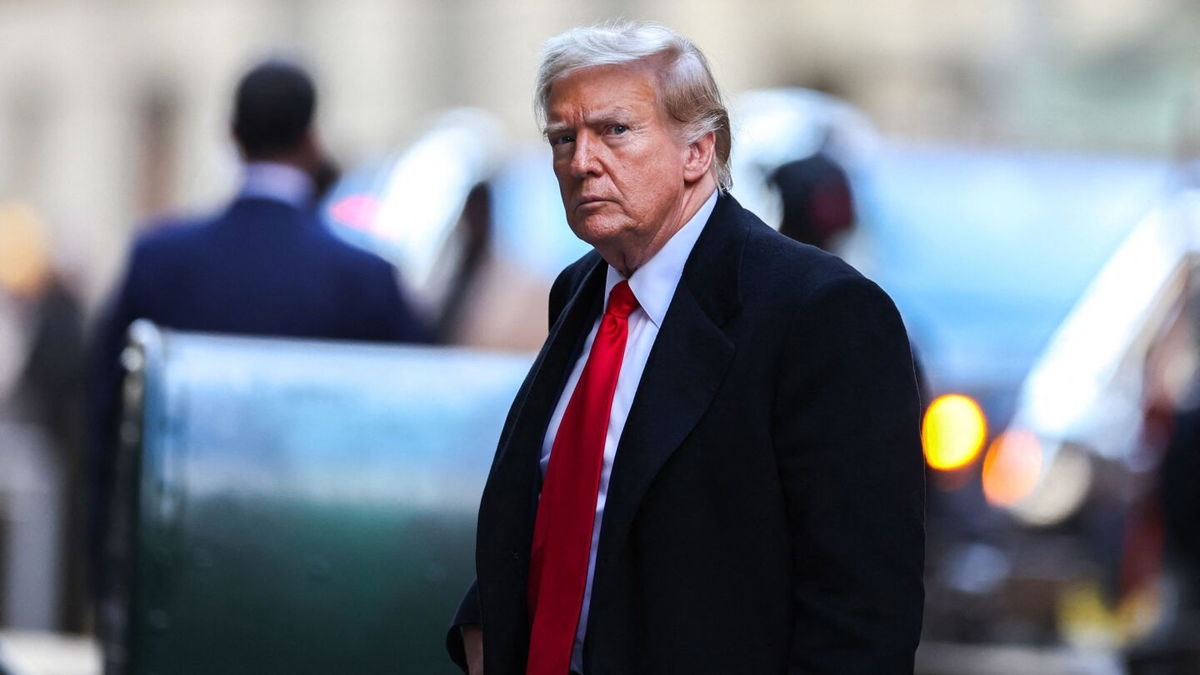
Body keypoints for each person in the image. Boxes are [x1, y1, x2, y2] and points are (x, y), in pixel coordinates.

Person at [447, 21, 925, 675]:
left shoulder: (821, 313)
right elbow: (558, 502)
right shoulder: (583, 290)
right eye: (564, 137)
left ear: (699, 150)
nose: (581, 160)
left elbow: (862, 611)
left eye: (614, 130)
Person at [87, 59, 427, 581]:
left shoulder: (159, 258)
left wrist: (106, 561)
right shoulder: (366, 278)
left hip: (177, 562)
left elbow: (106, 416)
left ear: (232, 134)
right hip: (321, 564)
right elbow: (414, 431)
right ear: (314, 141)